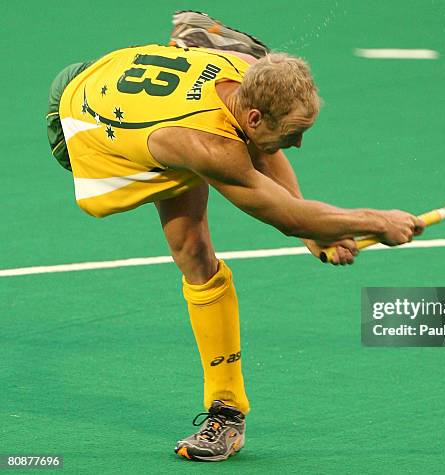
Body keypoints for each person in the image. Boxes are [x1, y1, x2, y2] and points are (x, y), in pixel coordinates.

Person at [46, 10, 425, 462]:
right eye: (294, 134)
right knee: (194, 244)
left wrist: (316, 235)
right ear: (255, 114)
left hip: (133, 81)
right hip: (77, 119)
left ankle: (225, 410)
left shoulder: (248, 78)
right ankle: (226, 412)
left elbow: (272, 167)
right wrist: (376, 223)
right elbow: (288, 216)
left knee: (208, 221)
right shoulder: (208, 147)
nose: (299, 145)